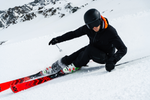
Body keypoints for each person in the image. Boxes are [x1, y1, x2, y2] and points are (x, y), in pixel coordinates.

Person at [43, 8, 127, 75]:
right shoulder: (89, 28)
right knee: (82, 51)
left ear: (99, 20)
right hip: (93, 50)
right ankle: (61, 64)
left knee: (88, 50)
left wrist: (112, 61)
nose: (94, 27)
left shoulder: (110, 31)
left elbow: (123, 49)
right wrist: (58, 39)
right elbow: (73, 34)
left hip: (106, 56)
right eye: (91, 25)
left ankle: (75, 65)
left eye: (96, 24)